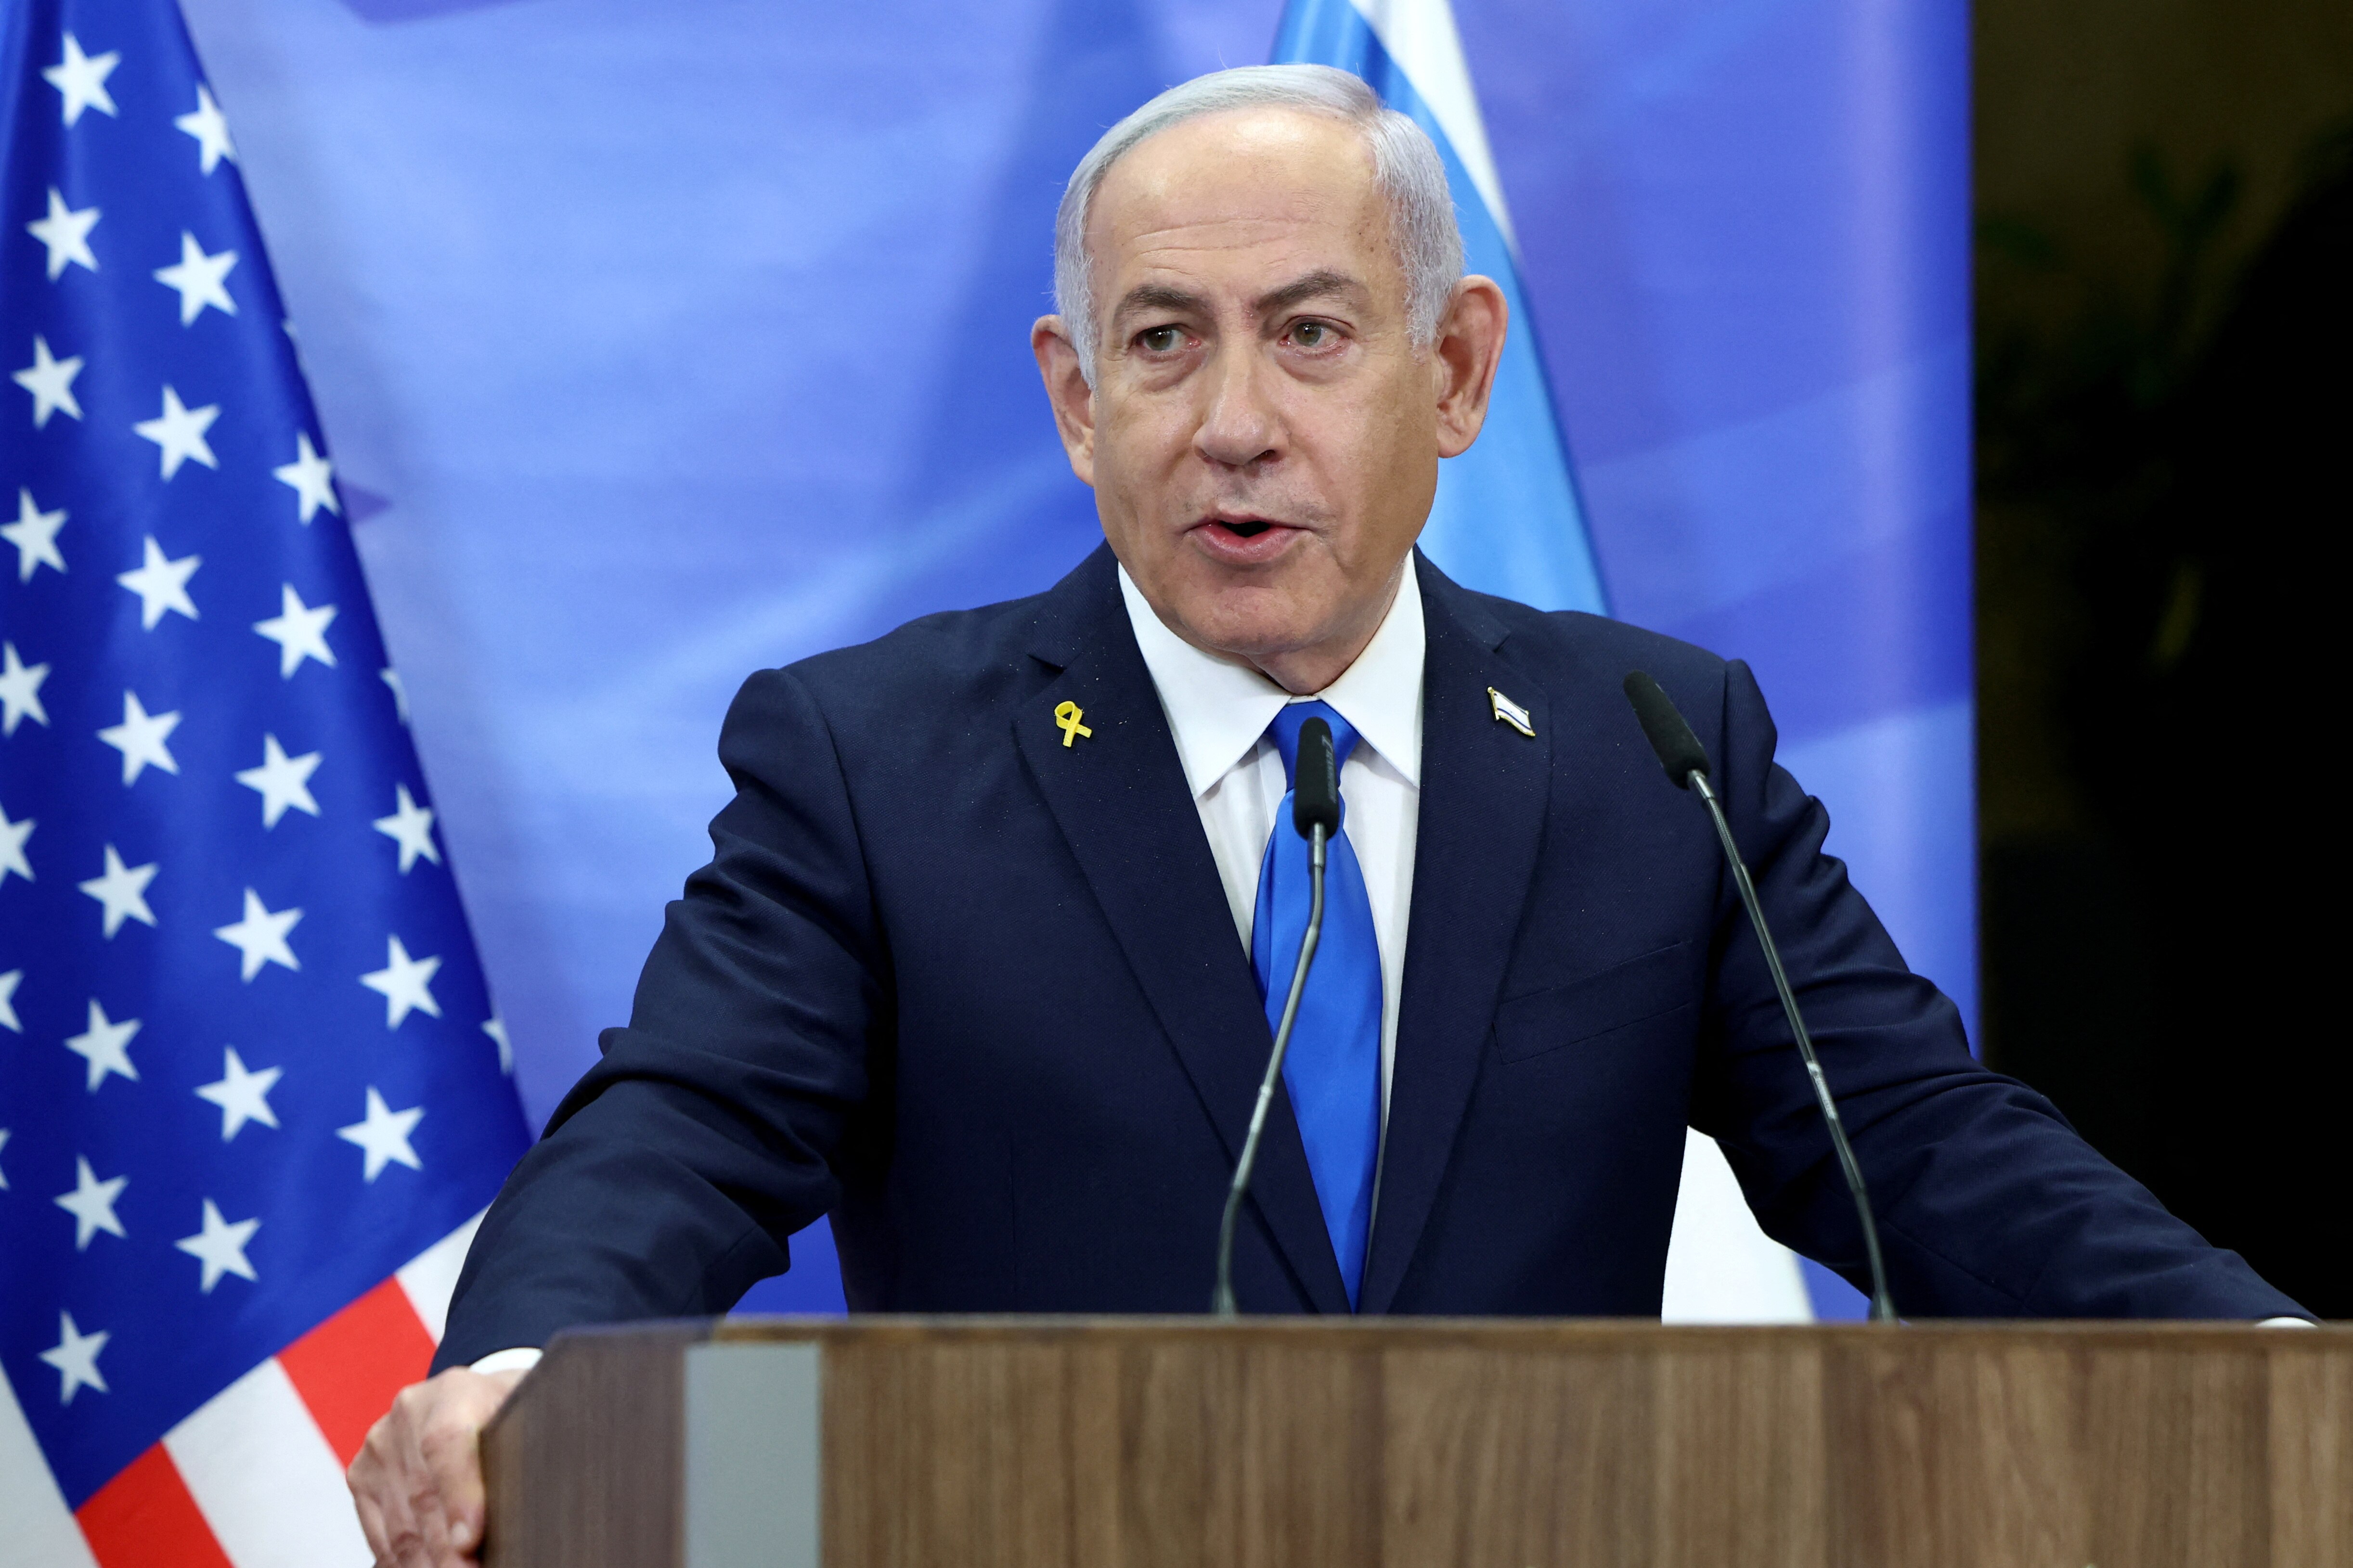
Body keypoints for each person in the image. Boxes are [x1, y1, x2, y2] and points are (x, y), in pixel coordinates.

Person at [347, 64, 2306, 1567]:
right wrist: (525, 1369)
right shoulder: (876, 763)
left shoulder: (1650, 748)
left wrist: (2261, 1370)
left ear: (1453, 372)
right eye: (1163, 340)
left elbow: (1917, 1138)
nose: (1232, 423)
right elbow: (681, 1125)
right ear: (1076, 399)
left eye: (1308, 332)